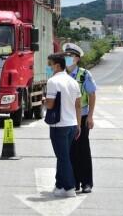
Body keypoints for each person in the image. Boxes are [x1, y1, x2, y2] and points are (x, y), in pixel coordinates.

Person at [45, 53, 81, 198]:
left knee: (63, 157)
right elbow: (78, 105)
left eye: (50, 64)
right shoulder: (73, 81)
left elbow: (50, 104)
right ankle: (59, 185)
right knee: (63, 156)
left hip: (58, 125)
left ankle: (69, 187)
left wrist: (43, 101)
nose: (49, 67)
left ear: (57, 65)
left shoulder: (53, 81)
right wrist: (78, 124)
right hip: (72, 124)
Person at [64, 43, 97, 194]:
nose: (68, 58)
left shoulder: (84, 74)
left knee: (83, 150)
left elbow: (91, 94)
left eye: (71, 56)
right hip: (65, 118)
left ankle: (86, 183)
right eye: (66, 55)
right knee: (69, 151)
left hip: (82, 117)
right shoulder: (60, 74)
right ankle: (73, 182)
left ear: (77, 59)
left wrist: (90, 116)